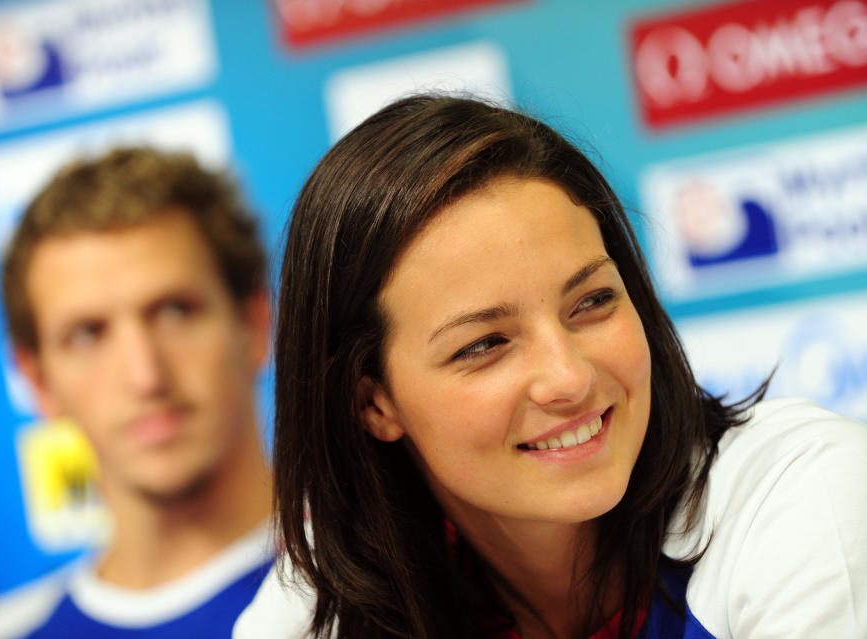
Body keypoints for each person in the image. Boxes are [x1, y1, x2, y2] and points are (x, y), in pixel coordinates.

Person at [234, 95, 867, 639]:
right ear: (375, 404)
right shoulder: (323, 607)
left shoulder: (801, 496)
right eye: (484, 344)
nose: (569, 377)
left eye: (592, 302)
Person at [0, 148, 275, 638]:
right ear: (38, 382)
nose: (146, 376)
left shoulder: (402, 584)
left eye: (175, 311)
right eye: (88, 334)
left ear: (255, 324)